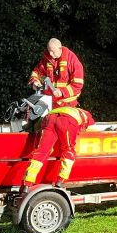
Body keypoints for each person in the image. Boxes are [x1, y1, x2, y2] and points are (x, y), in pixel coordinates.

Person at [23, 38, 90, 188]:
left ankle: (27, 182)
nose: (51, 54)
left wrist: (62, 92)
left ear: (60, 48)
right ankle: (60, 180)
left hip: (64, 105)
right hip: (53, 109)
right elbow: (36, 72)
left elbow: (78, 85)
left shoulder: (72, 60)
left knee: (42, 150)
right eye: (49, 51)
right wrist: (35, 82)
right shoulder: (46, 58)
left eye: (53, 51)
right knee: (68, 148)